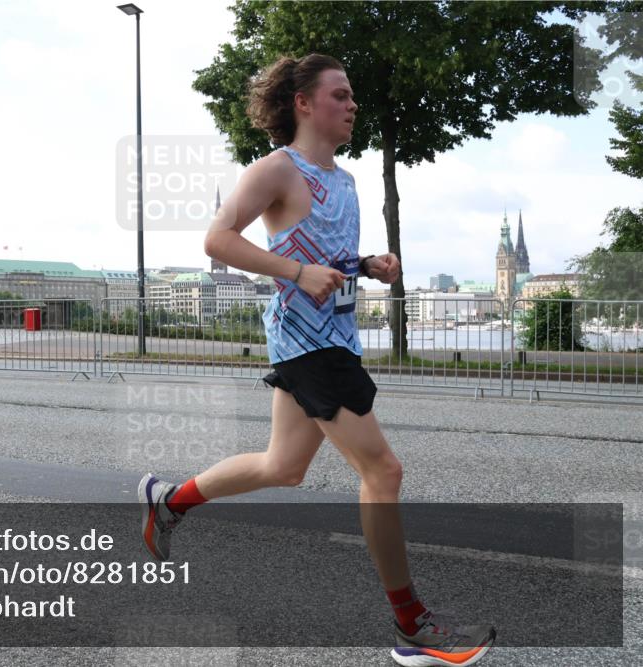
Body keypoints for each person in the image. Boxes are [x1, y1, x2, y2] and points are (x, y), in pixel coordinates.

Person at [137, 55, 495, 667]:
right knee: (383, 471)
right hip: (307, 342)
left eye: (352, 96)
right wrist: (296, 271)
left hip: (335, 337)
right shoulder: (277, 169)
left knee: (283, 466)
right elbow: (218, 238)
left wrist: (367, 265)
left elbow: (331, 256)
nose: (352, 105)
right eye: (340, 94)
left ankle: (170, 501)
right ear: (304, 103)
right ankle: (412, 627)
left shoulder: (348, 182)